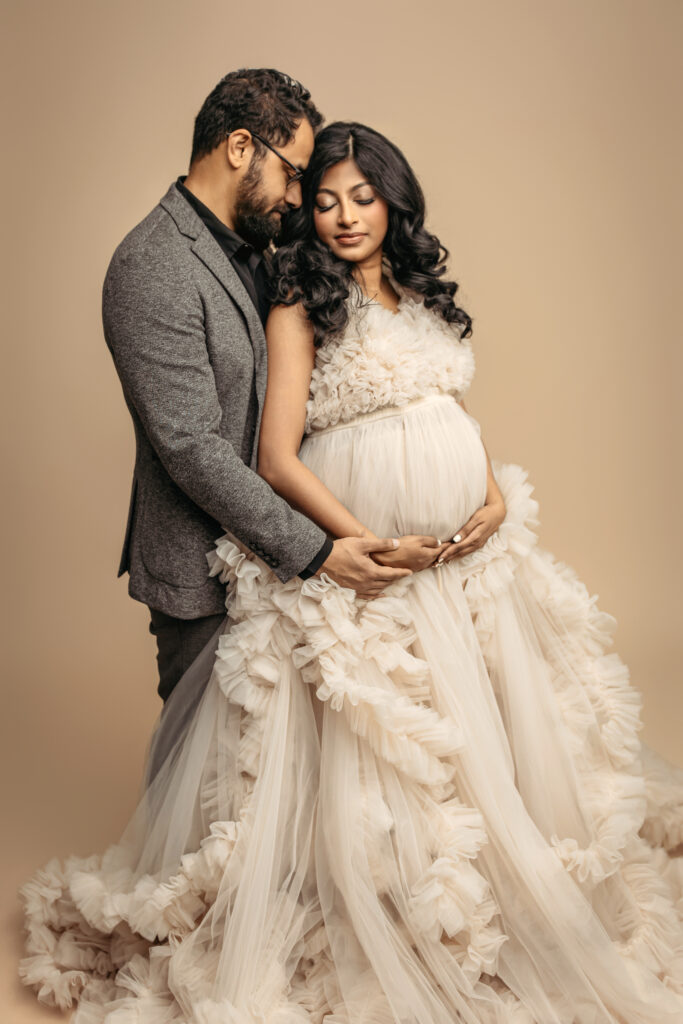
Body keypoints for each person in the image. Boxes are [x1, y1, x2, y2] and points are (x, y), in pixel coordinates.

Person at [18, 122, 683, 1023]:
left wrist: (487, 492)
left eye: (361, 198)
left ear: (393, 200)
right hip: (364, 551)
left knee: (480, 732)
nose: (340, 217)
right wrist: (356, 541)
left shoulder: (420, 292)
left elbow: (445, 401)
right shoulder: (299, 297)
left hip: (460, 558)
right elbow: (277, 455)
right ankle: (378, 905)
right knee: (378, 746)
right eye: (322, 199)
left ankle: (496, 900)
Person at [101, 68, 413, 705]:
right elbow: (193, 448)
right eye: (294, 173)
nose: (300, 197)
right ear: (241, 148)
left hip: (285, 565)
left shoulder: (262, 253)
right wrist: (321, 552)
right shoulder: (151, 263)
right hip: (205, 576)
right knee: (213, 780)